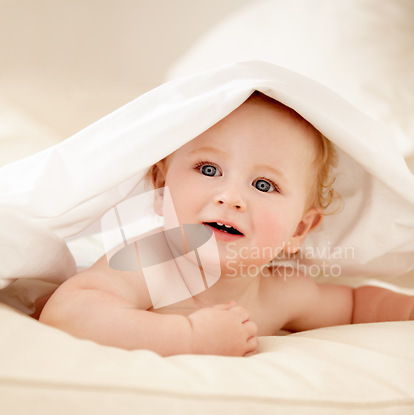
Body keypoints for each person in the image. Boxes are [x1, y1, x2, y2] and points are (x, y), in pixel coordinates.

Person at [39, 92, 414, 355]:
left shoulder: (280, 291)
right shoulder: (148, 262)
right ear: (160, 186)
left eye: (264, 185)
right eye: (209, 169)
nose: (230, 197)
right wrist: (187, 337)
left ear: (299, 230)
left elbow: (355, 304)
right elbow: (68, 313)